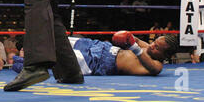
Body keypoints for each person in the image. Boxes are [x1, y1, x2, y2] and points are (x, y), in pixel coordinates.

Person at [13, 31, 179, 76]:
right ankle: (29, 50)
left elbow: (148, 64)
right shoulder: (149, 47)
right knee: (60, 40)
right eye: (155, 41)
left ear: (165, 56)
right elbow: (131, 37)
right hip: (101, 47)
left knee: (62, 58)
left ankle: (28, 64)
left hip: (99, 64)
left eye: (157, 47)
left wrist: (133, 45)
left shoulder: (156, 66)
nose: (152, 46)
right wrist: (126, 36)